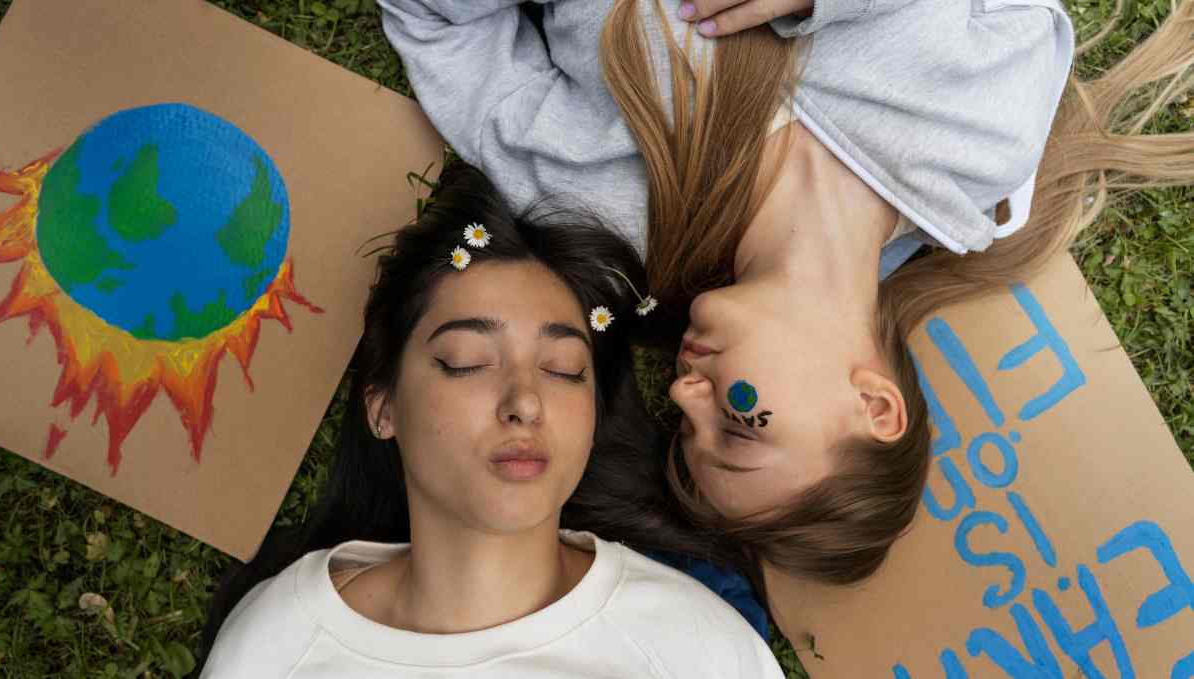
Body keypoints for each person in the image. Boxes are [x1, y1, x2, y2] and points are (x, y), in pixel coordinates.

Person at [375, 0, 1077, 586]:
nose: (683, 394)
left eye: (686, 426)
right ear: (874, 406)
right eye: (740, 425)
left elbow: (442, 27)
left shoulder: (612, 221)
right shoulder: (980, 147)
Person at [193, 162, 784, 677]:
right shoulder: (278, 647)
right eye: (467, 362)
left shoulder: (693, 646)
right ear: (384, 407)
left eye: (563, 368)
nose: (524, 402)